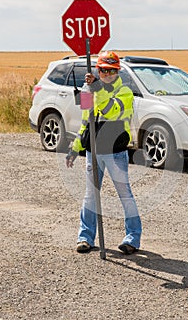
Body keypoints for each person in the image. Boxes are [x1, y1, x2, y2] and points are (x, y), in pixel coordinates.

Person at [66, 51, 142, 255]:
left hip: (115, 152)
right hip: (93, 151)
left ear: (117, 72)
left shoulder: (125, 92)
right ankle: (85, 237)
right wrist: (75, 148)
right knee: (90, 195)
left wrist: (97, 88)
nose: (106, 73)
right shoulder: (89, 90)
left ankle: (133, 238)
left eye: (111, 70)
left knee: (124, 194)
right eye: (102, 70)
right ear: (97, 70)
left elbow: (109, 109)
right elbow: (85, 122)